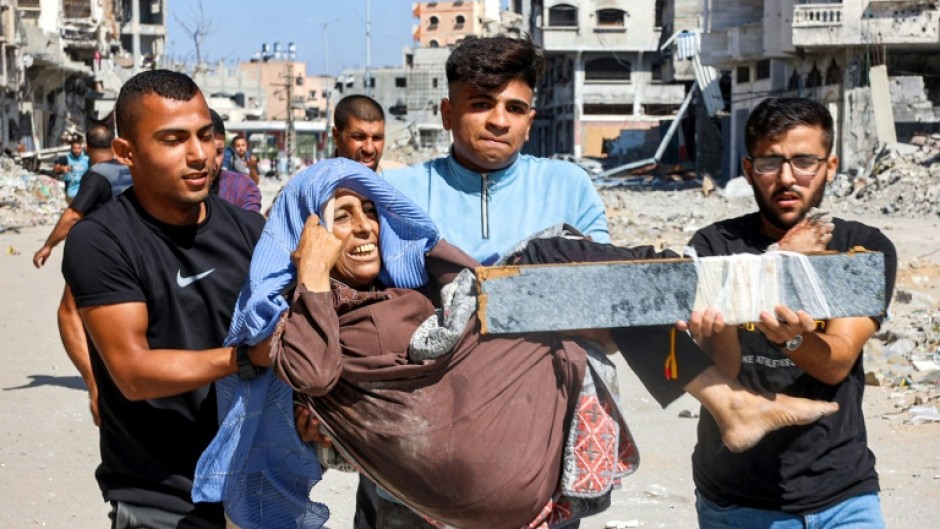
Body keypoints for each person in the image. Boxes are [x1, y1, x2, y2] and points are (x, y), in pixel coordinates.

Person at [61, 69, 268, 529]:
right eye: (173, 140)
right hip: (161, 496)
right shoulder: (101, 241)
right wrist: (246, 359)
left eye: (204, 135)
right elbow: (133, 372)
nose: (199, 156)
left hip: (254, 486)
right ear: (126, 153)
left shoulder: (250, 232)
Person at [683, 96, 897, 528]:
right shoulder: (714, 246)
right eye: (770, 163)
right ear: (748, 170)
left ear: (830, 166)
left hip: (841, 494)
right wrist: (778, 261)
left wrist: (791, 337)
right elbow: (725, 366)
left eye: (804, 162)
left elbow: (837, 362)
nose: (786, 179)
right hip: (736, 500)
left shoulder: (861, 248)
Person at [383, 35, 609, 265]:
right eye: (482, 104)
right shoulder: (396, 193)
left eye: (515, 108)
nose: (500, 121)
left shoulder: (569, 187)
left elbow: (604, 278)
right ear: (447, 114)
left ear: (529, 123)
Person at [34, 123, 129, 425]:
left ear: (87, 149)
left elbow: (74, 214)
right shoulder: (130, 168)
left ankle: (94, 382)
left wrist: (48, 245)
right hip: (141, 250)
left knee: (68, 311)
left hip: (104, 252)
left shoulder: (97, 174)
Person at [208, 109, 262, 212]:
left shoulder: (245, 187)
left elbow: (255, 182)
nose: (241, 148)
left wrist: (251, 168)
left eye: (218, 152)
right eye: (238, 146)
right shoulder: (230, 158)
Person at [333, 94, 386, 172]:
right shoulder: (315, 181)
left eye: (377, 138)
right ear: (336, 136)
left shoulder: (392, 182)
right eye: (359, 137)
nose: (369, 149)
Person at [53, 137, 91, 203]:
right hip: (70, 193)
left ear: (81, 149)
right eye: (74, 148)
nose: (76, 150)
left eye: (78, 148)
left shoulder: (87, 159)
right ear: (71, 149)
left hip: (84, 192)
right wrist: (62, 168)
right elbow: (55, 169)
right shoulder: (65, 159)